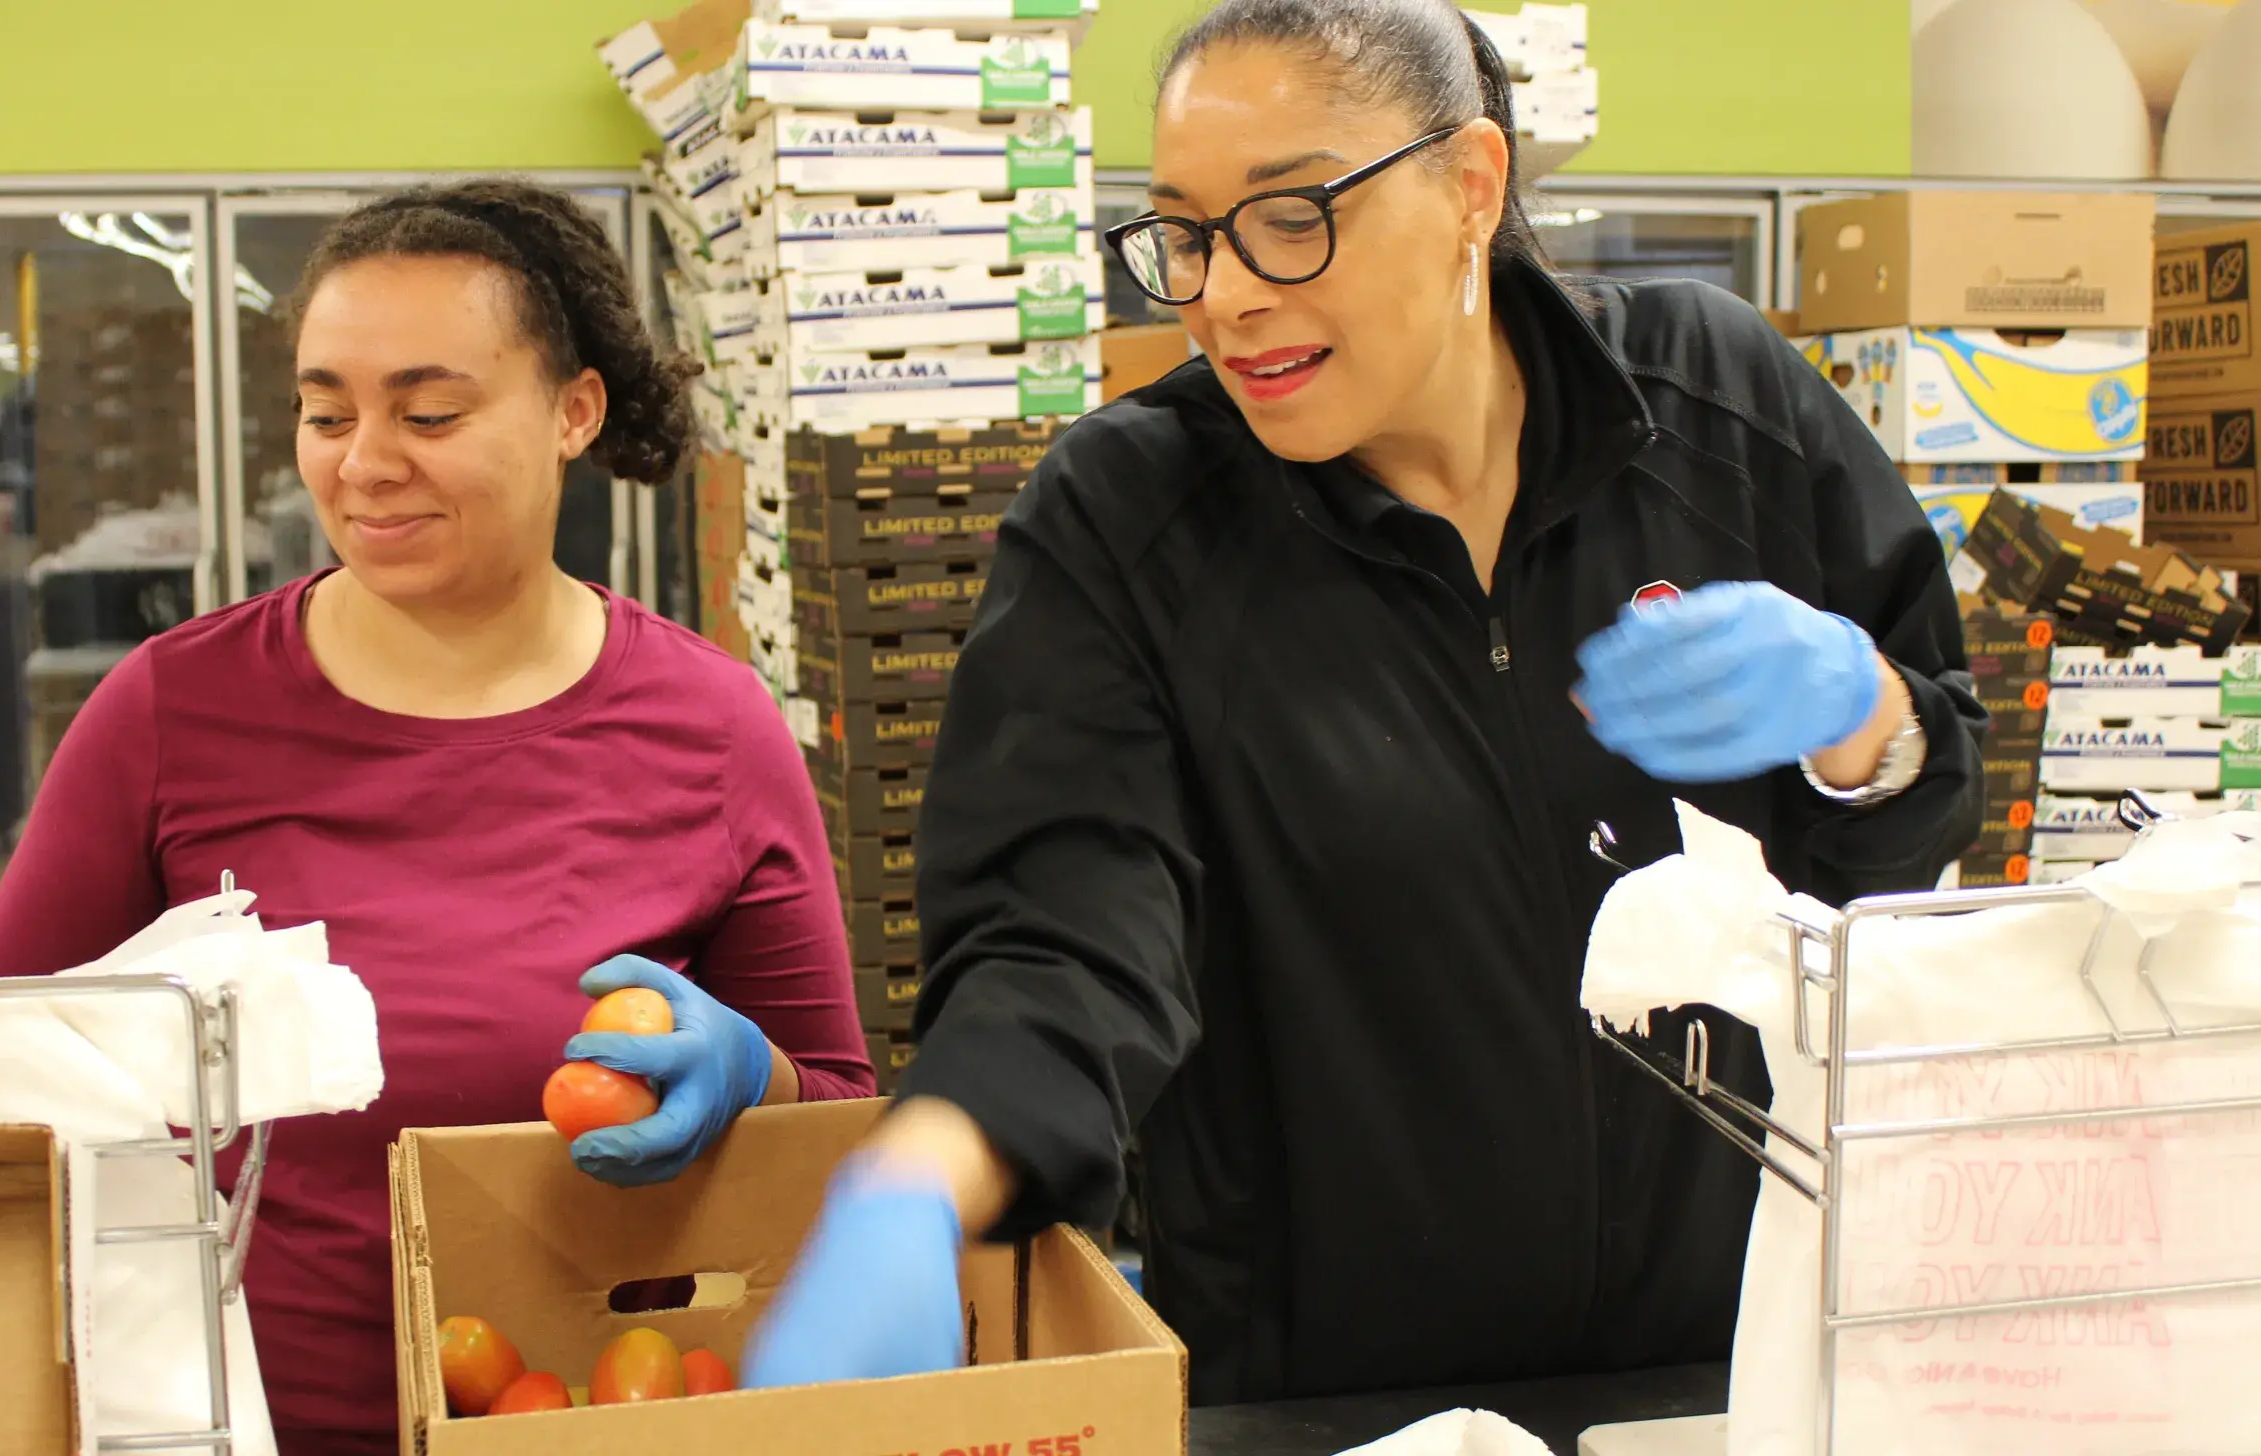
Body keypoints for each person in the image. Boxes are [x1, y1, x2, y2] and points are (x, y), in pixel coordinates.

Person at [744, 0, 1982, 1406]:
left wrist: (1860, 722)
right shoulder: (1131, 521)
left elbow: (1917, 831)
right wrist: (922, 1179)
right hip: (1329, 1401)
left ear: (1471, 186)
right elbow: (1068, 931)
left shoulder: (1716, 410)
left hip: (1741, 1368)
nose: (1223, 295)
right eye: (1188, 235)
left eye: (1288, 218)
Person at [0, 179, 875, 1453]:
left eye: (428, 410)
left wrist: (752, 1074)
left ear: (573, 412)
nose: (362, 461)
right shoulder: (170, 714)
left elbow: (837, 1113)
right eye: (323, 411)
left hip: (592, 1414)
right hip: (237, 1424)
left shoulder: (711, 727)